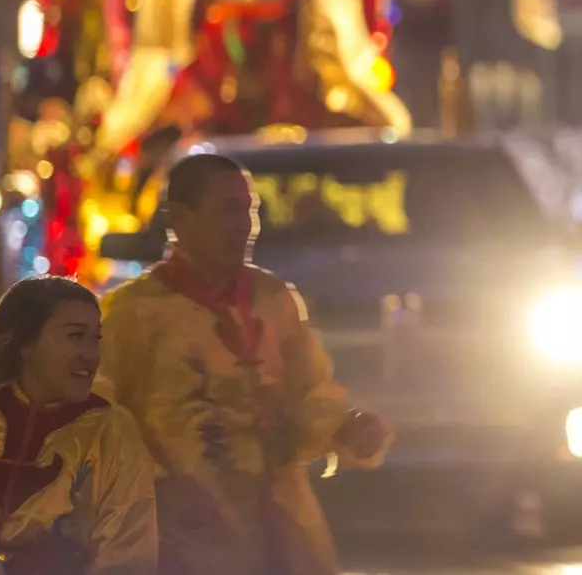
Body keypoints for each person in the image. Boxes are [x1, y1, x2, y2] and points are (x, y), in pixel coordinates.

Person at [98, 152, 391, 575]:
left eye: (250, 210)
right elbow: (99, 422)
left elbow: (309, 397)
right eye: (228, 210)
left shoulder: (273, 300)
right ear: (180, 219)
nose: (245, 225)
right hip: (181, 542)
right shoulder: (132, 314)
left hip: (282, 537)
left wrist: (345, 430)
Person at [0, 276, 156, 575]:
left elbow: (127, 557)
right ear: (25, 343)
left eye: (95, 339)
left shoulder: (110, 432)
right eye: (75, 336)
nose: (91, 355)